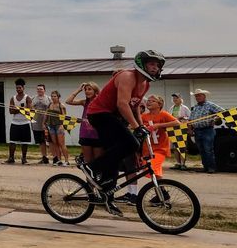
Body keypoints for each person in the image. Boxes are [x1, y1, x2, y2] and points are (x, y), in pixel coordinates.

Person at [86, 50, 166, 216]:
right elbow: (122, 104)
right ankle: (93, 167)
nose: (155, 67)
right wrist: (137, 127)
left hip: (114, 117)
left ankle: (106, 196)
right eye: (151, 64)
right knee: (131, 143)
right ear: (142, 64)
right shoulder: (127, 76)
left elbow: (134, 106)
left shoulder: (145, 84)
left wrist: (141, 124)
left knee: (116, 156)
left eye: (157, 65)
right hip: (100, 113)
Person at [189, 88, 224, 173]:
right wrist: (190, 129)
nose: (197, 97)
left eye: (199, 95)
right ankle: (206, 167)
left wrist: (216, 118)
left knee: (208, 149)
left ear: (204, 96)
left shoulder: (210, 105)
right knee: (201, 150)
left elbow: (223, 112)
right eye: (196, 96)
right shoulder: (195, 107)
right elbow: (191, 120)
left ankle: (211, 167)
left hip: (207, 130)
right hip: (197, 130)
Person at [66, 82, 101, 167]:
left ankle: (99, 180)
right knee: (88, 162)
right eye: (85, 90)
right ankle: (89, 180)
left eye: (89, 89)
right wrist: (79, 90)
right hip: (85, 135)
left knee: (99, 162)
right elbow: (68, 101)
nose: (87, 91)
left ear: (95, 91)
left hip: (98, 135)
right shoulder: (84, 102)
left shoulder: (100, 102)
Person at [6, 79, 33, 164]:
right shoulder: (13, 98)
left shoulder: (27, 98)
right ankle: (11, 158)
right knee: (12, 141)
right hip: (15, 122)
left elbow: (29, 111)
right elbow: (10, 111)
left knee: (25, 142)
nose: (18, 89)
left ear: (23, 88)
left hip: (25, 122)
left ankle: (24, 158)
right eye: (17, 88)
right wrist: (22, 109)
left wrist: (17, 109)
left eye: (20, 88)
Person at [168, 92, 192, 169]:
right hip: (173, 129)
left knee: (182, 147)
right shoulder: (171, 108)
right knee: (175, 147)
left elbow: (190, 118)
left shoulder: (185, 108)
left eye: (176, 98)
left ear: (180, 99)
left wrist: (183, 118)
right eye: (174, 98)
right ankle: (178, 163)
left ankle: (183, 164)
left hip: (182, 129)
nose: (175, 99)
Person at [30, 83, 51, 164]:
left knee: (50, 141)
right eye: (38, 89)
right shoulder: (33, 98)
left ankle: (56, 157)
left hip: (46, 123)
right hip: (36, 123)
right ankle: (44, 157)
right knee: (41, 141)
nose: (39, 90)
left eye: (41, 89)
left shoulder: (49, 99)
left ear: (44, 90)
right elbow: (29, 108)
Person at [45, 90, 68, 165]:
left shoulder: (61, 105)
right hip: (51, 126)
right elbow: (46, 114)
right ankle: (59, 160)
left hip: (59, 126)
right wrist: (44, 123)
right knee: (55, 144)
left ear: (58, 97)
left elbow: (65, 117)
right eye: (52, 96)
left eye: (55, 96)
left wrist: (62, 125)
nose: (53, 98)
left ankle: (66, 161)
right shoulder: (49, 105)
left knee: (62, 144)